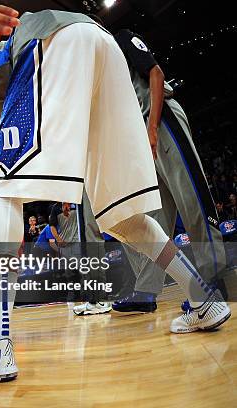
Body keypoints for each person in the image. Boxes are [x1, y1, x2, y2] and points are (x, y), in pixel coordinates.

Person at [0, 6, 231, 381]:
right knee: (121, 217)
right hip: (101, 50)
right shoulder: (5, 104)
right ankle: (203, 297)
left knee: (5, 194)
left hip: (55, 40)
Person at [96, 26, 232, 315]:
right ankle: (147, 289)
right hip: (140, 137)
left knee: (191, 199)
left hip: (161, 120)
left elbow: (155, 73)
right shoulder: (103, 66)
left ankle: (213, 277)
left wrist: (153, 128)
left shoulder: (121, 38)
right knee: (156, 216)